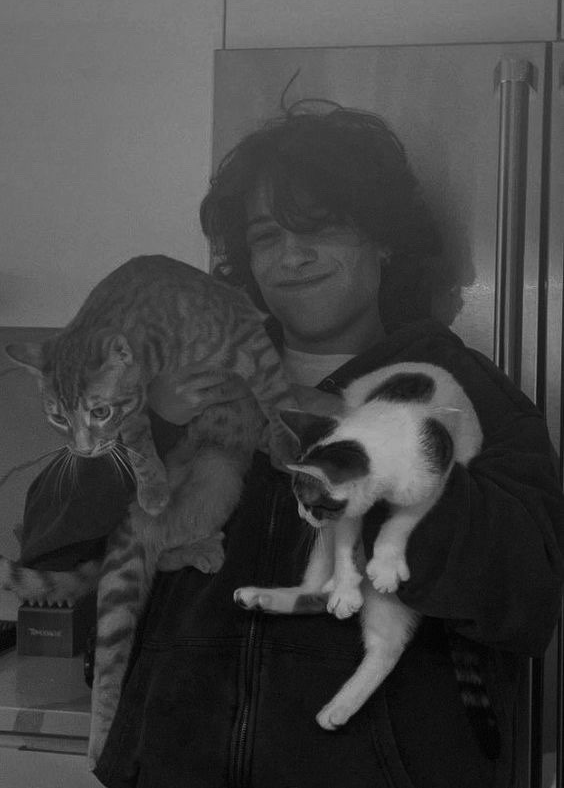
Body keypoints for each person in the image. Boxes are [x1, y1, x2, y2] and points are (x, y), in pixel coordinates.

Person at [19, 103, 564, 788]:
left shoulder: (464, 392)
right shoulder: (170, 383)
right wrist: (149, 426)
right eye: (266, 235)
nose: (292, 255)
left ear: (385, 241)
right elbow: (51, 551)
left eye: (323, 227)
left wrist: (381, 463)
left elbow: (527, 600)